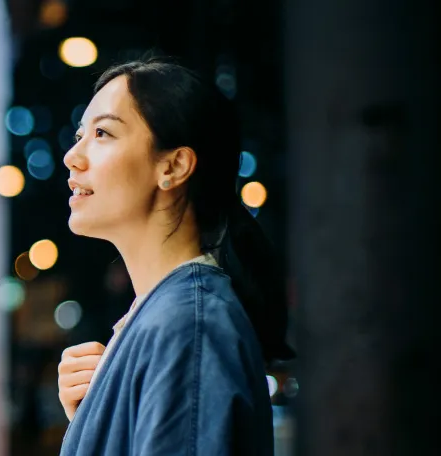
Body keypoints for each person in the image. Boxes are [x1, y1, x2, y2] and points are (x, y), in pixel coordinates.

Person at [55, 59, 294, 455]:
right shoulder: (169, 319)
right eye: (81, 134)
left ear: (174, 165)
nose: (73, 156)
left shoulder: (187, 326)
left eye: (102, 133)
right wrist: (99, 417)